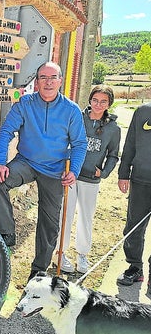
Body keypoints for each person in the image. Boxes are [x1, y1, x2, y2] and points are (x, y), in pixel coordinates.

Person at [0, 61, 87, 281]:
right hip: (26, 161)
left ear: (60, 81)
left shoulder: (71, 110)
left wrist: (75, 170)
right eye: (43, 77)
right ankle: (6, 234)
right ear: (37, 81)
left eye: (53, 78)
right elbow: (6, 132)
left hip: (55, 169)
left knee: (49, 221)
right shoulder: (25, 104)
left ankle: (39, 269)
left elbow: (80, 144)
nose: (48, 82)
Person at [57, 85, 120, 274]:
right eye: (95, 100)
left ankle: (82, 253)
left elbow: (114, 155)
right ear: (90, 100)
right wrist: (64, 164)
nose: (98, 105)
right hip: (71, 176)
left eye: (103, 102)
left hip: (91, 179)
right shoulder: (78, 118)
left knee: (86, 216)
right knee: (65, 214)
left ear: (109, 104)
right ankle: (60, 252)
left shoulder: (113, 128)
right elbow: (64, 140)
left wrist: (104, 172)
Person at [116, 102, 151, 286]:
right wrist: (124, 174)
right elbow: (130, 144)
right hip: (141, 180)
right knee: (134, 227)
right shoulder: (143, 112)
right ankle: (135, 267)